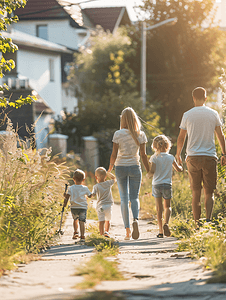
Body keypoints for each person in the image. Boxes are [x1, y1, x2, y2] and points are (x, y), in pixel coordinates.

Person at [176, 87, 226, 227]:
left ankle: (197, 223)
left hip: (192, 157)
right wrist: (224, 154)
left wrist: (178, 154)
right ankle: (208, 221)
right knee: (209, 192)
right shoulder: (213, 114)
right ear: (205, 98)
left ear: (193, 98)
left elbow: (181, 137)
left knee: (195, 192)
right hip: (209, 156)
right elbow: (220, 136)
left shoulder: (187, 115)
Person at [108, 107, 149, 240]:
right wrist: (149, 170)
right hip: (135, 167)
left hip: (120, 168)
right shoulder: (141, 134)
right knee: (134, 197)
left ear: (123, 119)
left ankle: (127, 231)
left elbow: (114, 154)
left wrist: (109, 168)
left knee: (124, 199)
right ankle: (135, 219)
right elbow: (143, 155)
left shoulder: (118, 134)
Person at [148, 135, 183, 238]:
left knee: (159, 209)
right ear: (168, 146)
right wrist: (181, 166)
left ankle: (160, 231)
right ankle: (166, 223)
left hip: (156, 185)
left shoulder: (154, 157)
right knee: (167, 206)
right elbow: (178, 169)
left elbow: (152, 171)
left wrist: (148, 174)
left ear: (154, 146)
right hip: (167, 184)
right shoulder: (171, 157)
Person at [63, 169, 92, 242]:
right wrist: (93, 193)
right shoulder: (85, 188)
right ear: (83, 179)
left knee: (75, 220)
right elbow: (90, 196)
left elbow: (67, 197)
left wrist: (64, 204)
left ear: (73, 179)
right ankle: (82, 236)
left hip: (74, 207)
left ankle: (76, 232)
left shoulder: (71, 188)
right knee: (82, 222)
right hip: (82, 207)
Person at [91, 167, 116, 237]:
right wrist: (109, 174)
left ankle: (101, 234)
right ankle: (106, 232)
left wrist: (88, 195)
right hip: (108, 206)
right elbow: (114, 179)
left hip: (101, 206)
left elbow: (93, 195)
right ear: (105, 176)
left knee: (101, 221)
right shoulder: (108, 183)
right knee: (108, 220)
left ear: (96, 177)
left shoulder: (96, 186)